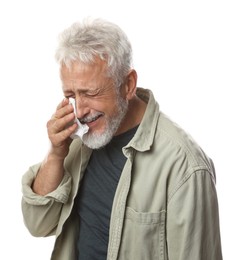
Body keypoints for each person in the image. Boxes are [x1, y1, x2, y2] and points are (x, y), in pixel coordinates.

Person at [21, 17, 223, 260]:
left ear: (128, 85)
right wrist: (56, 153)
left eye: (90, 92)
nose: (81, 110)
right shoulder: (77, 141)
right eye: (71, 94)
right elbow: (38, 224)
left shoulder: (185, 166)